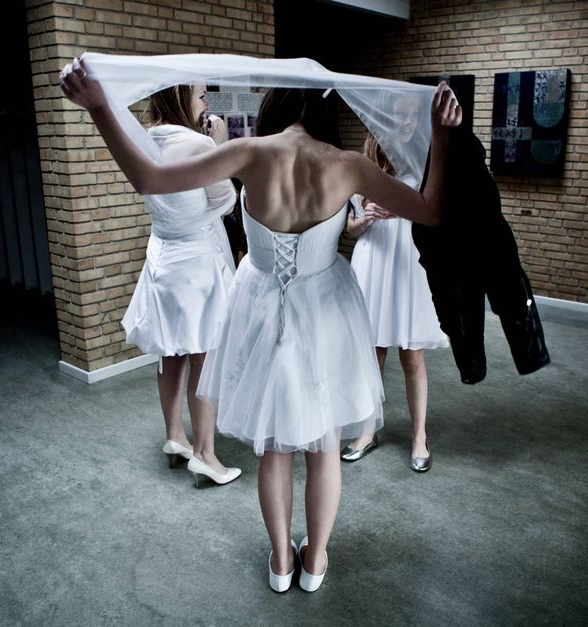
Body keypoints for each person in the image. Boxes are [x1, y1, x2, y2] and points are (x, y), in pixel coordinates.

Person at [59, 57, 461, 592]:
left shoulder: (249, 152)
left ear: (275, 105)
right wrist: (441, 135)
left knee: (274, 446)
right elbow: (430, 210)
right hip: (327, 310)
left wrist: (98, 108)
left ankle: (280, 562)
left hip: (259, 306)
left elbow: (147, 178)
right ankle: (315, 562)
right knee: (322, 443)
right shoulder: (348, 165)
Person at [120, 82, 241, 486]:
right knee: (203, 357)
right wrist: (219, 148)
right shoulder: (199, 144)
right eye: (201, 94)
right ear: (180, 97)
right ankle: (205, 454)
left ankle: (175, 435)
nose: (206, 102)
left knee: (170, 352)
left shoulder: (142, 140)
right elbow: (224, 201)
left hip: (161, 258)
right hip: (196, 262)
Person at [342, 98, 450, 472]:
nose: (406, 122)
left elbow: (439, 219)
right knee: (373, 353)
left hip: (407, 262)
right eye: (399, 115)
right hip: (373, 261)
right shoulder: (364, 165)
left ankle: (419, 436)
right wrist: (366, 219)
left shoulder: (423, 163)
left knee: (411, 355)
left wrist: (406, 210)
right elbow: (350, 228)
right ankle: (367, 430)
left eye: (412, 117)